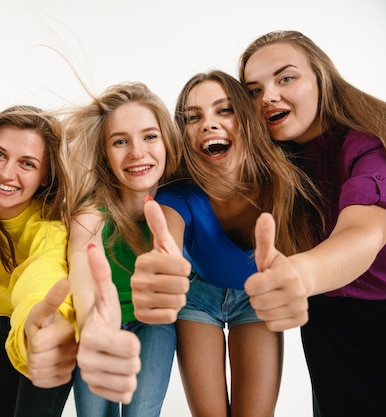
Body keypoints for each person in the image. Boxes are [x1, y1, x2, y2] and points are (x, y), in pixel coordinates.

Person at [154, 70, 321, 417]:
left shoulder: (283, 180)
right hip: (197, 299)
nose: (208, 124)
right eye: (193, 117)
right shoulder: (177, 194)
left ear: (247, 119)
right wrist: (161, 262)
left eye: (223, 110)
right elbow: (166, 242)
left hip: (255, 300)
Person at [239, 30, 386, 417]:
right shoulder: (279, 164)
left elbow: (364, 231)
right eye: (253, 90)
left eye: (286, 78)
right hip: (327, 329)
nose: (268, 95)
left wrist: (300, 274)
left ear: (322, 79)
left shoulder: (367, 145)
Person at [65, 82, 183, 416]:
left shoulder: (179, 208)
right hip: (98, 325)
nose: (136, 152)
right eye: (120, 141)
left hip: (152, 325)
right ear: (105, 154)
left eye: (149, 136)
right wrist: (93, 325)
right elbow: (82, 264)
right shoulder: (91, 214)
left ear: (167, 142)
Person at [0, 105, 77, 417]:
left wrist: (38, 325)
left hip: (44, 328)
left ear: (45, 177)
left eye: (27, 163)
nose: (5, 173)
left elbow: (42, 276)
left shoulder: (49, 230)